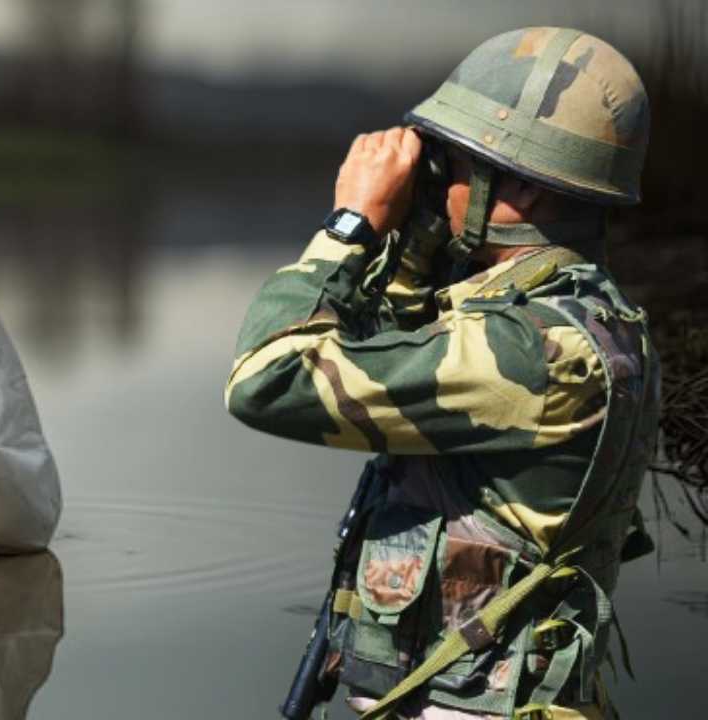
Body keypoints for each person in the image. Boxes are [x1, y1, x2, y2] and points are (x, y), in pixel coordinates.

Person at [225, 27, 658, 720]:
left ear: (525, 189)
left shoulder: (530, 350)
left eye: (455, 163)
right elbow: (394, 372)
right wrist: (418, 247)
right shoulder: (565, 318)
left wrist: (348, 225)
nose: (439, 179)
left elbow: (266, 381)